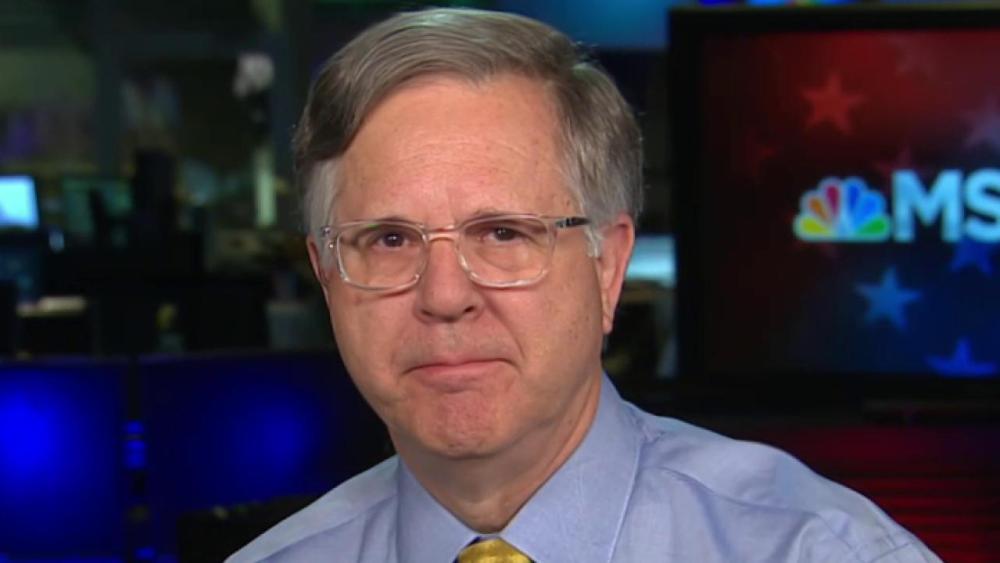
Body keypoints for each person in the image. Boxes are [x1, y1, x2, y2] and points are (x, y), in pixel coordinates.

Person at [229, 8, 940, 562]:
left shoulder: (822, 550)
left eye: (503, 233)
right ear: (326, 275)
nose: (444, 297)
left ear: (608, 266)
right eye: (389, 240)